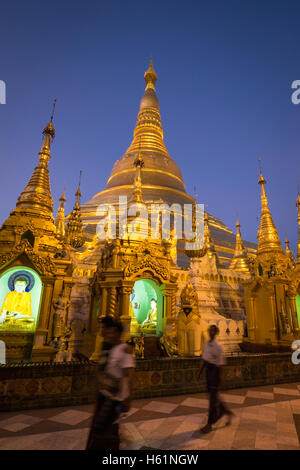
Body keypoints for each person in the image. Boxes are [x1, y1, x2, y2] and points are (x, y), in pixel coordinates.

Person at [86, 316, 135, 450]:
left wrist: (128, 398)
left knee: (104, 428)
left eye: (111, 332)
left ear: (118, 333)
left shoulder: (124, 349)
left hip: (115, 397)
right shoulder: (110, 349)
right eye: (107, 331)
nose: (107, 334)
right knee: (103, 428)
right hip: (105, 394)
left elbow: (129, 374)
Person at [197, 324, 233, 434]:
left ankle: (209, 424)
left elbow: (221, 364)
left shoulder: (218, 346)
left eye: (213, 331)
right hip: (208, 371)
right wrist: (199, 372)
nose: (210, 333)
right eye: (209, 331)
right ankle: (225, 411)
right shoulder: (206, 344)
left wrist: (221, 379)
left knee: (212, 400)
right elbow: (204, 359)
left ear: (216, 333)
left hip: (214, 372)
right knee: (212, 396)